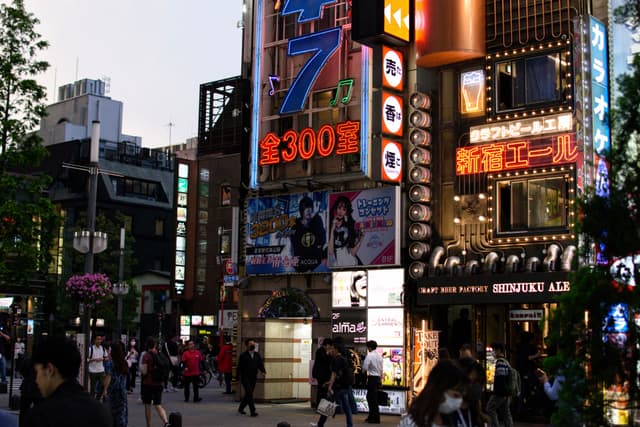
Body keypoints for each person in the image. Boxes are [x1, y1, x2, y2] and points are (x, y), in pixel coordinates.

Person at [25, 335, 112, 427]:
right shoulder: (101, 412)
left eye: (37, 372)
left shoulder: (40, 416)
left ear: (49, 370)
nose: (36, 380)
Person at [397, 360, 468, 427]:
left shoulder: (456, 419)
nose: (459, 401)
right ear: (440, 390)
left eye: (462, 396)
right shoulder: (411, 423)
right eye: (456, 395)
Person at [314, 342, 355, 427]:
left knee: (327, 406)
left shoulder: (336, 359)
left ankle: (320, 424)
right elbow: (341, 374)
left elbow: (334, 374)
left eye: (331, 349)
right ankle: (350, 425)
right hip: (345, 386)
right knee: (347, 408)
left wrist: (330, 387)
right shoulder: (343, 359)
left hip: (338, 387)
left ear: (336, 350)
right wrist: (330, 382)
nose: (329, 351)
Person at [290, 195, 327, 272]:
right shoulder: (295, 224)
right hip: (300, 264)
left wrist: (313, 218)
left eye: (310, 207)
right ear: (301, 210)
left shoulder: (317, 219)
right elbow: (294, 245)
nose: (308, 210)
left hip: (316, 263)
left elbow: (322, 239)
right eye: (305, 208)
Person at [140, 338, 170, 427]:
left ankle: (148, 425)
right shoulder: (160, 355)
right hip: (159, 383)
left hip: (148, 384)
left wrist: (142, 370)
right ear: (155, 345)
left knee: (147, 405)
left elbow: (144, 371)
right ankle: (166, 422)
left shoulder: (146, 355)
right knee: (158, 404)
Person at [328, 196, 364, 267]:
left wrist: (361, 238)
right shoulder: (329, 223)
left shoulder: (349, 225)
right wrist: (332, 228)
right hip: (335, 260)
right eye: (339, 208)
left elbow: (352, 252)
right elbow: (330, 251)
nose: (341, 211)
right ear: (336, 208)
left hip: (347, 259)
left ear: (346, 212)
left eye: (344, 209)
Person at [486, 343, 513, 427]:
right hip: (507, 391)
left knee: (490, 408)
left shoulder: (500, 362)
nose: (493, 352)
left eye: (494, 350)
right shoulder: (506, 361)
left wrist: (496, 392)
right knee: (506, 412)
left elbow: (501, 378)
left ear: (498, 350)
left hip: (501, 392)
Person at [237, 338, 266, 417]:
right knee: (249, 393)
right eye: (250, 344)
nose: (252, 345)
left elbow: (260, 364)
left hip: (253, 377)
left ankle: (241, 408)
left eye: (253, 343)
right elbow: (239, 367)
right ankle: (252, 411)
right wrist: (237, 378)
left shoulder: (257, 355)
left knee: (248, 394)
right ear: (247, 346)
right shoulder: (243, 355)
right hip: (245, 377)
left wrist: (263, 371)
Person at [107, 341, 129, 427]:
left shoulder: (111, 364)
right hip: (122, 395)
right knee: (121, 419)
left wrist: (104, 391)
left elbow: (109, 380)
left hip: (113, 396)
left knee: (112, 419)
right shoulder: (124, 363)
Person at [362, 340, 383, 424]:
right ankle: (372, 416)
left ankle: (375, 418)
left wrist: (363, 372)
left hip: (372, 378)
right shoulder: (379, 356)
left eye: (368, 347)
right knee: (373, 398)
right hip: (377, 378)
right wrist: (380, 380)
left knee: (371, 399)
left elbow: (365, 367)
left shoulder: (370, 355)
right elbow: (381, 369)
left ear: (369, 347)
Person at [18, 357, 42, 427]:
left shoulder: (28, 360)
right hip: (38, 389)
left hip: (27, 387)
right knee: (39, 411)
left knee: (24, 411)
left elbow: (22, 371)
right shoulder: (44, 362)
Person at [312, 338, 334, 408]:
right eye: (330, 346)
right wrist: (329, 354)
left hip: (322, 374)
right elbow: (325, 360)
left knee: (322, 390)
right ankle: (320, 406)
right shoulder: (320, 351)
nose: (331, 348)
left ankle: (321, 406)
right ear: (327, 345)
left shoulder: (322, 351)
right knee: (322, 390)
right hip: (321, 375)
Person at [88, 335, 107, 399]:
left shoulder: (103, 348)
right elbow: (87, 359)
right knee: (93, 387)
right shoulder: (91, 349)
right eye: (97, 339)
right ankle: (92, 401)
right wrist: (94, 359)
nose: (99, 341)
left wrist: (103, 359)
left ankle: (97, 398)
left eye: (100, 339)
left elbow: (106, 357)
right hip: (92, 370)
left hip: (101, 369)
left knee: (103, 385)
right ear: (94, 340)